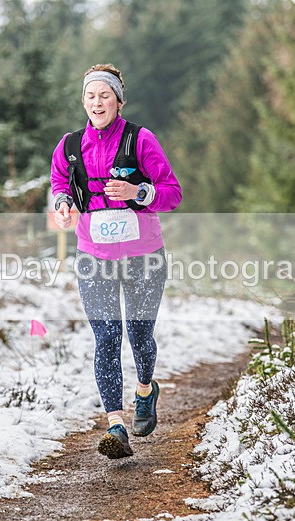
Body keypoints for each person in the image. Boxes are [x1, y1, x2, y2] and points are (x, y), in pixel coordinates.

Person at [50, 64, 182, 459]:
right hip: (94, 258)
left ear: (118, 101)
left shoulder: (141, 139)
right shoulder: (70, 145)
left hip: (144, 256)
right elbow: (60, 182)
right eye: (90, 96)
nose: (97, 102)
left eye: (104, 95)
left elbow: (172, 193)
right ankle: (116, 426)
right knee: (107, 337)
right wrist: (62, 203)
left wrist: (138, 191)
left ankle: (145, 389)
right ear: (83, 101)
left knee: (139, 337)